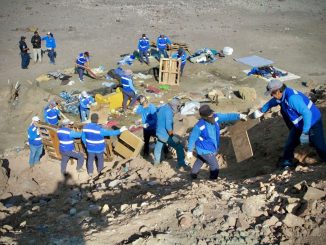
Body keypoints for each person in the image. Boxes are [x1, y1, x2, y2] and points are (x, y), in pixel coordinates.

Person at [254, 79, 326, 168]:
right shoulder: (281, 96)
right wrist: (262, 110)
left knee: (320, 147)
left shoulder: (292, 98)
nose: (271, 95)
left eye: (272, 93)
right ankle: (286, 163)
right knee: (290, 144)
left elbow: (307, 113)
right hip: (299, 124)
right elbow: (272, 102)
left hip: (312, 122)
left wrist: (305, 132)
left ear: (278, 91)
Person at [187, 105, 247, 180]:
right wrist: (189, 150)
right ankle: (213, 180)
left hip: (211, 146)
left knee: (200, 159)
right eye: (209, 115)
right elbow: (192, 138)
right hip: (204, 148)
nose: (212, 116)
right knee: (214, 166)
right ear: (204, 117)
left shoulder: (216, 117)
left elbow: (227, 116)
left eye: (211, 113)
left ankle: (193, 174)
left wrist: (239, 116)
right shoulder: (199, 126)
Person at [154, 98, 189, 169]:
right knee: (179, 146)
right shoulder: (169, 112)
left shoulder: (163, 108)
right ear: (174, 106)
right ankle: (181, 163)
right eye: (178, 106)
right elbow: (168, 127)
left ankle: (156, 163)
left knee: (158, 147)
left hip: (158, 132)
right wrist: (173, 137)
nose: (178, 108)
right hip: (165, 135)